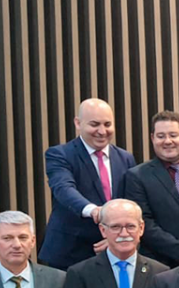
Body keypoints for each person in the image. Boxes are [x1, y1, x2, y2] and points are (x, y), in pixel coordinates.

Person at [40, 98, 137, 269]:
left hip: (113, 251)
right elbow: (63, 188)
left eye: (107, 124)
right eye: (94, 124)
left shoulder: (125, 158)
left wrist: (114, 237)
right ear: (78, 123)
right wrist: (93, 211)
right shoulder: (60, 154)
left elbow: (130, 201)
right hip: (69, 252)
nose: (102, 131)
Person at [127, 110, 179, 265]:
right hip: (159, 263)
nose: (167, 141)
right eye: (161, 136)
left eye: (173, 135)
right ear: (152, 139)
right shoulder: (137, 176)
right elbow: (143, 222)